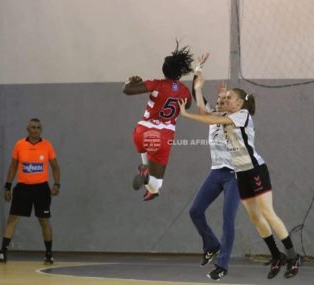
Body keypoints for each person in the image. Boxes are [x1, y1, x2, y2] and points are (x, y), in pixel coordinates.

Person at [179, 72, 302, 279]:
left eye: (228, 98)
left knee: (268, 213)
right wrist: (198, 88)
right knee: (255, 218)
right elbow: (206, 112)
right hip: (240, 173)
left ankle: (293, 256)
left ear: (239, 103)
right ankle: (276, 255)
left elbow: (205, 117)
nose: (225, 100)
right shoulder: (225, 116)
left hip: (255, 170)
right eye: (223, 99)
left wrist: (186, 115)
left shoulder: (243, 115)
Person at [188, 54, 240, 281]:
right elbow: (200, 103)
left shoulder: (238, 119)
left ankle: (223, 264)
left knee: (228, 219)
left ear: (232, 105)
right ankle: (211, 244)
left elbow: (210, 113)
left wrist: (223, 97)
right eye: (218, 101)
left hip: (235, 175)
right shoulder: (212, 116)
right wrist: (197, 73)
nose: (219, 103)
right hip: (216, 172)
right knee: (195, 211)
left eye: (224, 101)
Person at [123, 41, 193, 201]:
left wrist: (130, 81)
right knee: (157, 183)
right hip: (162, 136)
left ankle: (145, 169)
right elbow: (187, 105)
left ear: (164, 70)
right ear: (180, 72)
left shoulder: (156, 84)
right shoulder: (184, 91)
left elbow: (127, 90)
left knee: (144, 149)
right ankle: (148, 179)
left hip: (141, 131)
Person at [0, 118, 60, 264]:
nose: (35, 130)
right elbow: (13, 167)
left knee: (44, 221)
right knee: (12, 219)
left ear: (41, 130)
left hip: (41, 188)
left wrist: (56, 184)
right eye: (33, 127)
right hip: (23, 188)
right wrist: (8, 186)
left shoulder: (47, 146)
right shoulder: (19, 145)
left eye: (38, 128)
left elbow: (55, 166)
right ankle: (2, 253)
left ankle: (49, 254)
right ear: (27, 129)